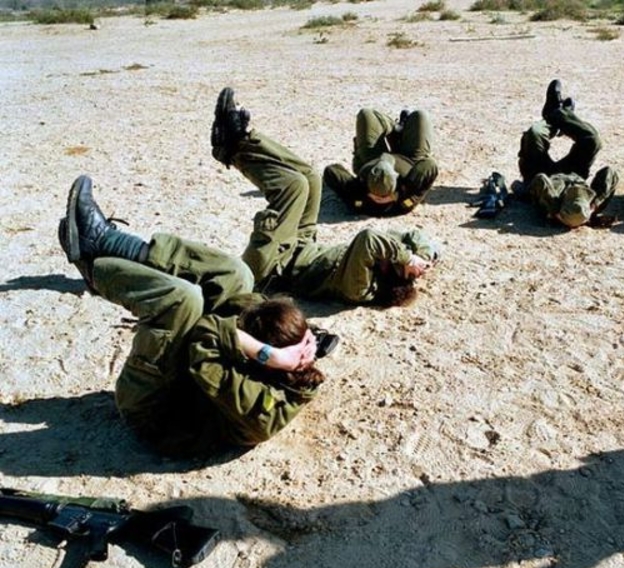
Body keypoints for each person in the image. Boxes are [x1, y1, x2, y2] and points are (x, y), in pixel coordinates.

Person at [59, 175, 330, 457]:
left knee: (182, 300)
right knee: (237, 275)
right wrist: (281, 344)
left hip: (157, 407)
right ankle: (104, 241)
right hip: (196, 380)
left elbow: (205, 339)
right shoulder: (292, 368)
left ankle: (93, 271)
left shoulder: (259, 408)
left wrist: (268, 353)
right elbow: (250, 309)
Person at [211, 88, 439, 307]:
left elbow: (369, 239)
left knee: (294, 186)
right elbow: (413, 236)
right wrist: (424, 255)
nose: (394, 260)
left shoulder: (360, 288)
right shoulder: (384, 263)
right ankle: (245, 138)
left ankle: (232, 149)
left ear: (390, 276)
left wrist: (407, 258)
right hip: (301, 242)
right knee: (311, 177)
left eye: (396, 265)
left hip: (273, 264)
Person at [515, 79, 619, 228]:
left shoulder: (553, 207)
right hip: (574, 172)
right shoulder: (588, 207)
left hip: (544, 174)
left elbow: (540, 179)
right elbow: (610, 174)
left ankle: (553, 114)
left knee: (535, 134)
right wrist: (593, 207)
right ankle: (563, 115)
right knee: (592, 140)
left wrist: (555, 211)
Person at [322, 107, 439, 216]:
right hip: (409, 158)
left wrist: (361, 191)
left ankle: (393, 128)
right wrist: (401, 193)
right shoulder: (404, 202)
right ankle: (399, 134)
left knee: (367, 114)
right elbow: (429, 165)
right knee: (419, 116)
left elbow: (331, 171)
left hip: (371, 158)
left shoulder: (359, 197)